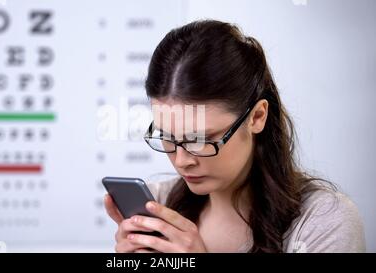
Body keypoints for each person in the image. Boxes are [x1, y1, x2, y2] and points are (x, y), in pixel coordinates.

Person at [104, 20, 365, 253]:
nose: (182, 161)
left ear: (257, 117)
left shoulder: (323, 221)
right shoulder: (158, 207)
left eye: (201, 139)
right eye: (168, 138)